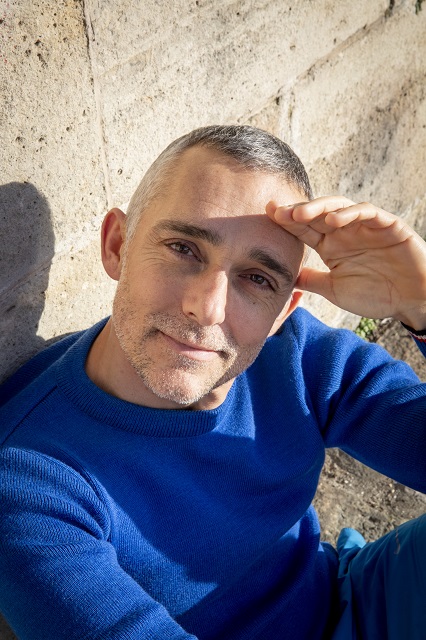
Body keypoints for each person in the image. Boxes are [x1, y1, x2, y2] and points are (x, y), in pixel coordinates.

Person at [0, 125, 425, 640]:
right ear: (117, 246)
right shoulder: (29, 481)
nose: (207, 308)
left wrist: (423, 307)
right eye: (184, 248)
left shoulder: (296, 353)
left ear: (282, 311)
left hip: (354, 599)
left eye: (257, 278)